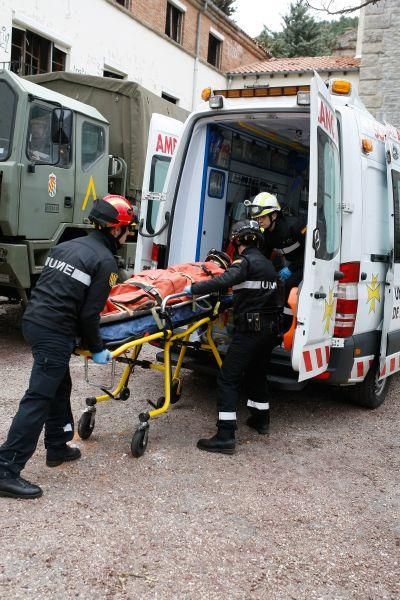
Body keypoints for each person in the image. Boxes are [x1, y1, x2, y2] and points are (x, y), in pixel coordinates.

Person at [0, 195, 134, 499]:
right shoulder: (105, 262)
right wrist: (97, 347)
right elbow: (90, 314)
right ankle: (6, 468)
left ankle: (57, 447)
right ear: (115, 230)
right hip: (54, 332)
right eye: (128, 230)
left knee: (59, 386)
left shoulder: (66, 246)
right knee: (38, 398)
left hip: (34, 321)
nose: (128, 236)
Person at [184, 220, 283, 455]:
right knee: (257, 373)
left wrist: (194, 289)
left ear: (237, 241)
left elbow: (224, 280)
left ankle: (225, 436)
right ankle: (261, 420)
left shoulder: (244, 262)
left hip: (250, 331)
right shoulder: (270, 265)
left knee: (227, 378)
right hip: (269, 332)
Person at [247, 191, 306, 294]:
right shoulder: (267, 234)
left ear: (274, 216)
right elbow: (263, 257)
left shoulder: (295, 226)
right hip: (290, 263)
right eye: (257, 218)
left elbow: (311, 252)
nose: (259, 221)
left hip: (306, 264)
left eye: (263, 217)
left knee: (288, 286)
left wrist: (291, 268)